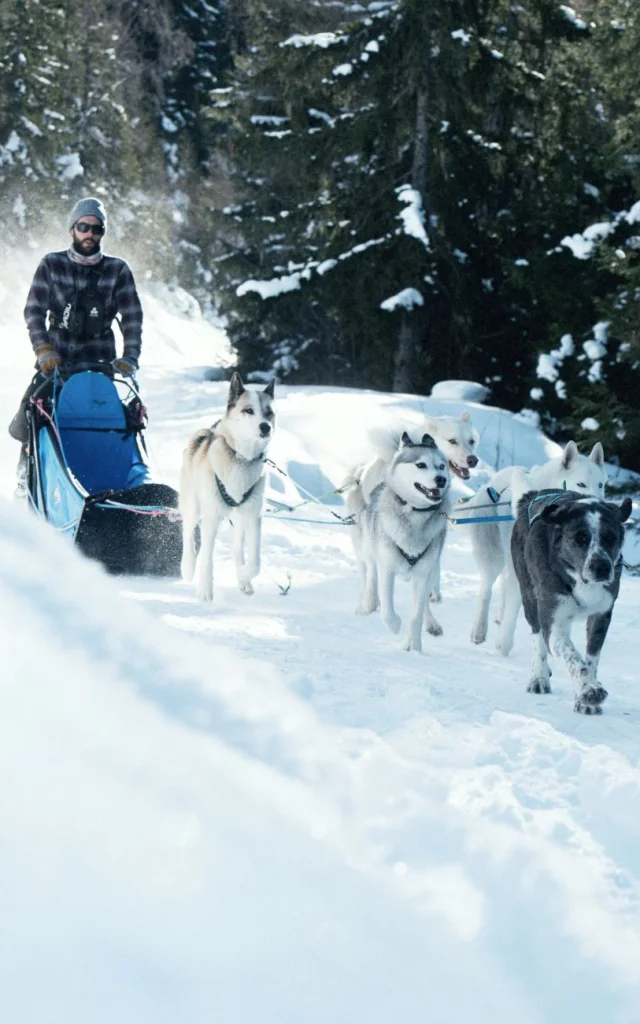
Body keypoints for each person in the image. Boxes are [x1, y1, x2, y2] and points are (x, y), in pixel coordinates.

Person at [9, 196, 144, 496]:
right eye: (84, 227)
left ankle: (107, 485)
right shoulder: (52, 264)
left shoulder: (117, 270)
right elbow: (34, 311)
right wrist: (43, 349)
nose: (90, 234)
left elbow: (132, 317)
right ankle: (26, 478)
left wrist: (130, 357)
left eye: (97, 229)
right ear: (72, 229)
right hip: (56, 364)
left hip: (99, 367)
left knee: (110, 423)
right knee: (29, 417)